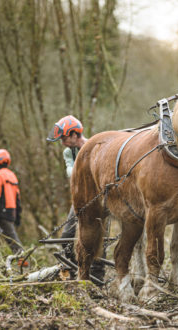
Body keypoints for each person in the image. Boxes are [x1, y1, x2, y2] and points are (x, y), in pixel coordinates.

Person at [47, 115, 105, 282]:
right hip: (80, 198)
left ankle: (97, 279)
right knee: (67, 236)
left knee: (98, 238)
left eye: (64, 138)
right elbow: (70, 172)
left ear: (74, 135)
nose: (62, 142)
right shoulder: (69, 152)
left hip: (99, 199)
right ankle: (71, 272)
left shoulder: (96, 146)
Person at [0, 149, 28, 265]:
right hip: (11, 211)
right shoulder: (12, 175)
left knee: (12, 240)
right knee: (11, 237)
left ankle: (23, 261)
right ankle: (22, 260)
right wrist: (18, 216)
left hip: (1, 210)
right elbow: (18, 198)